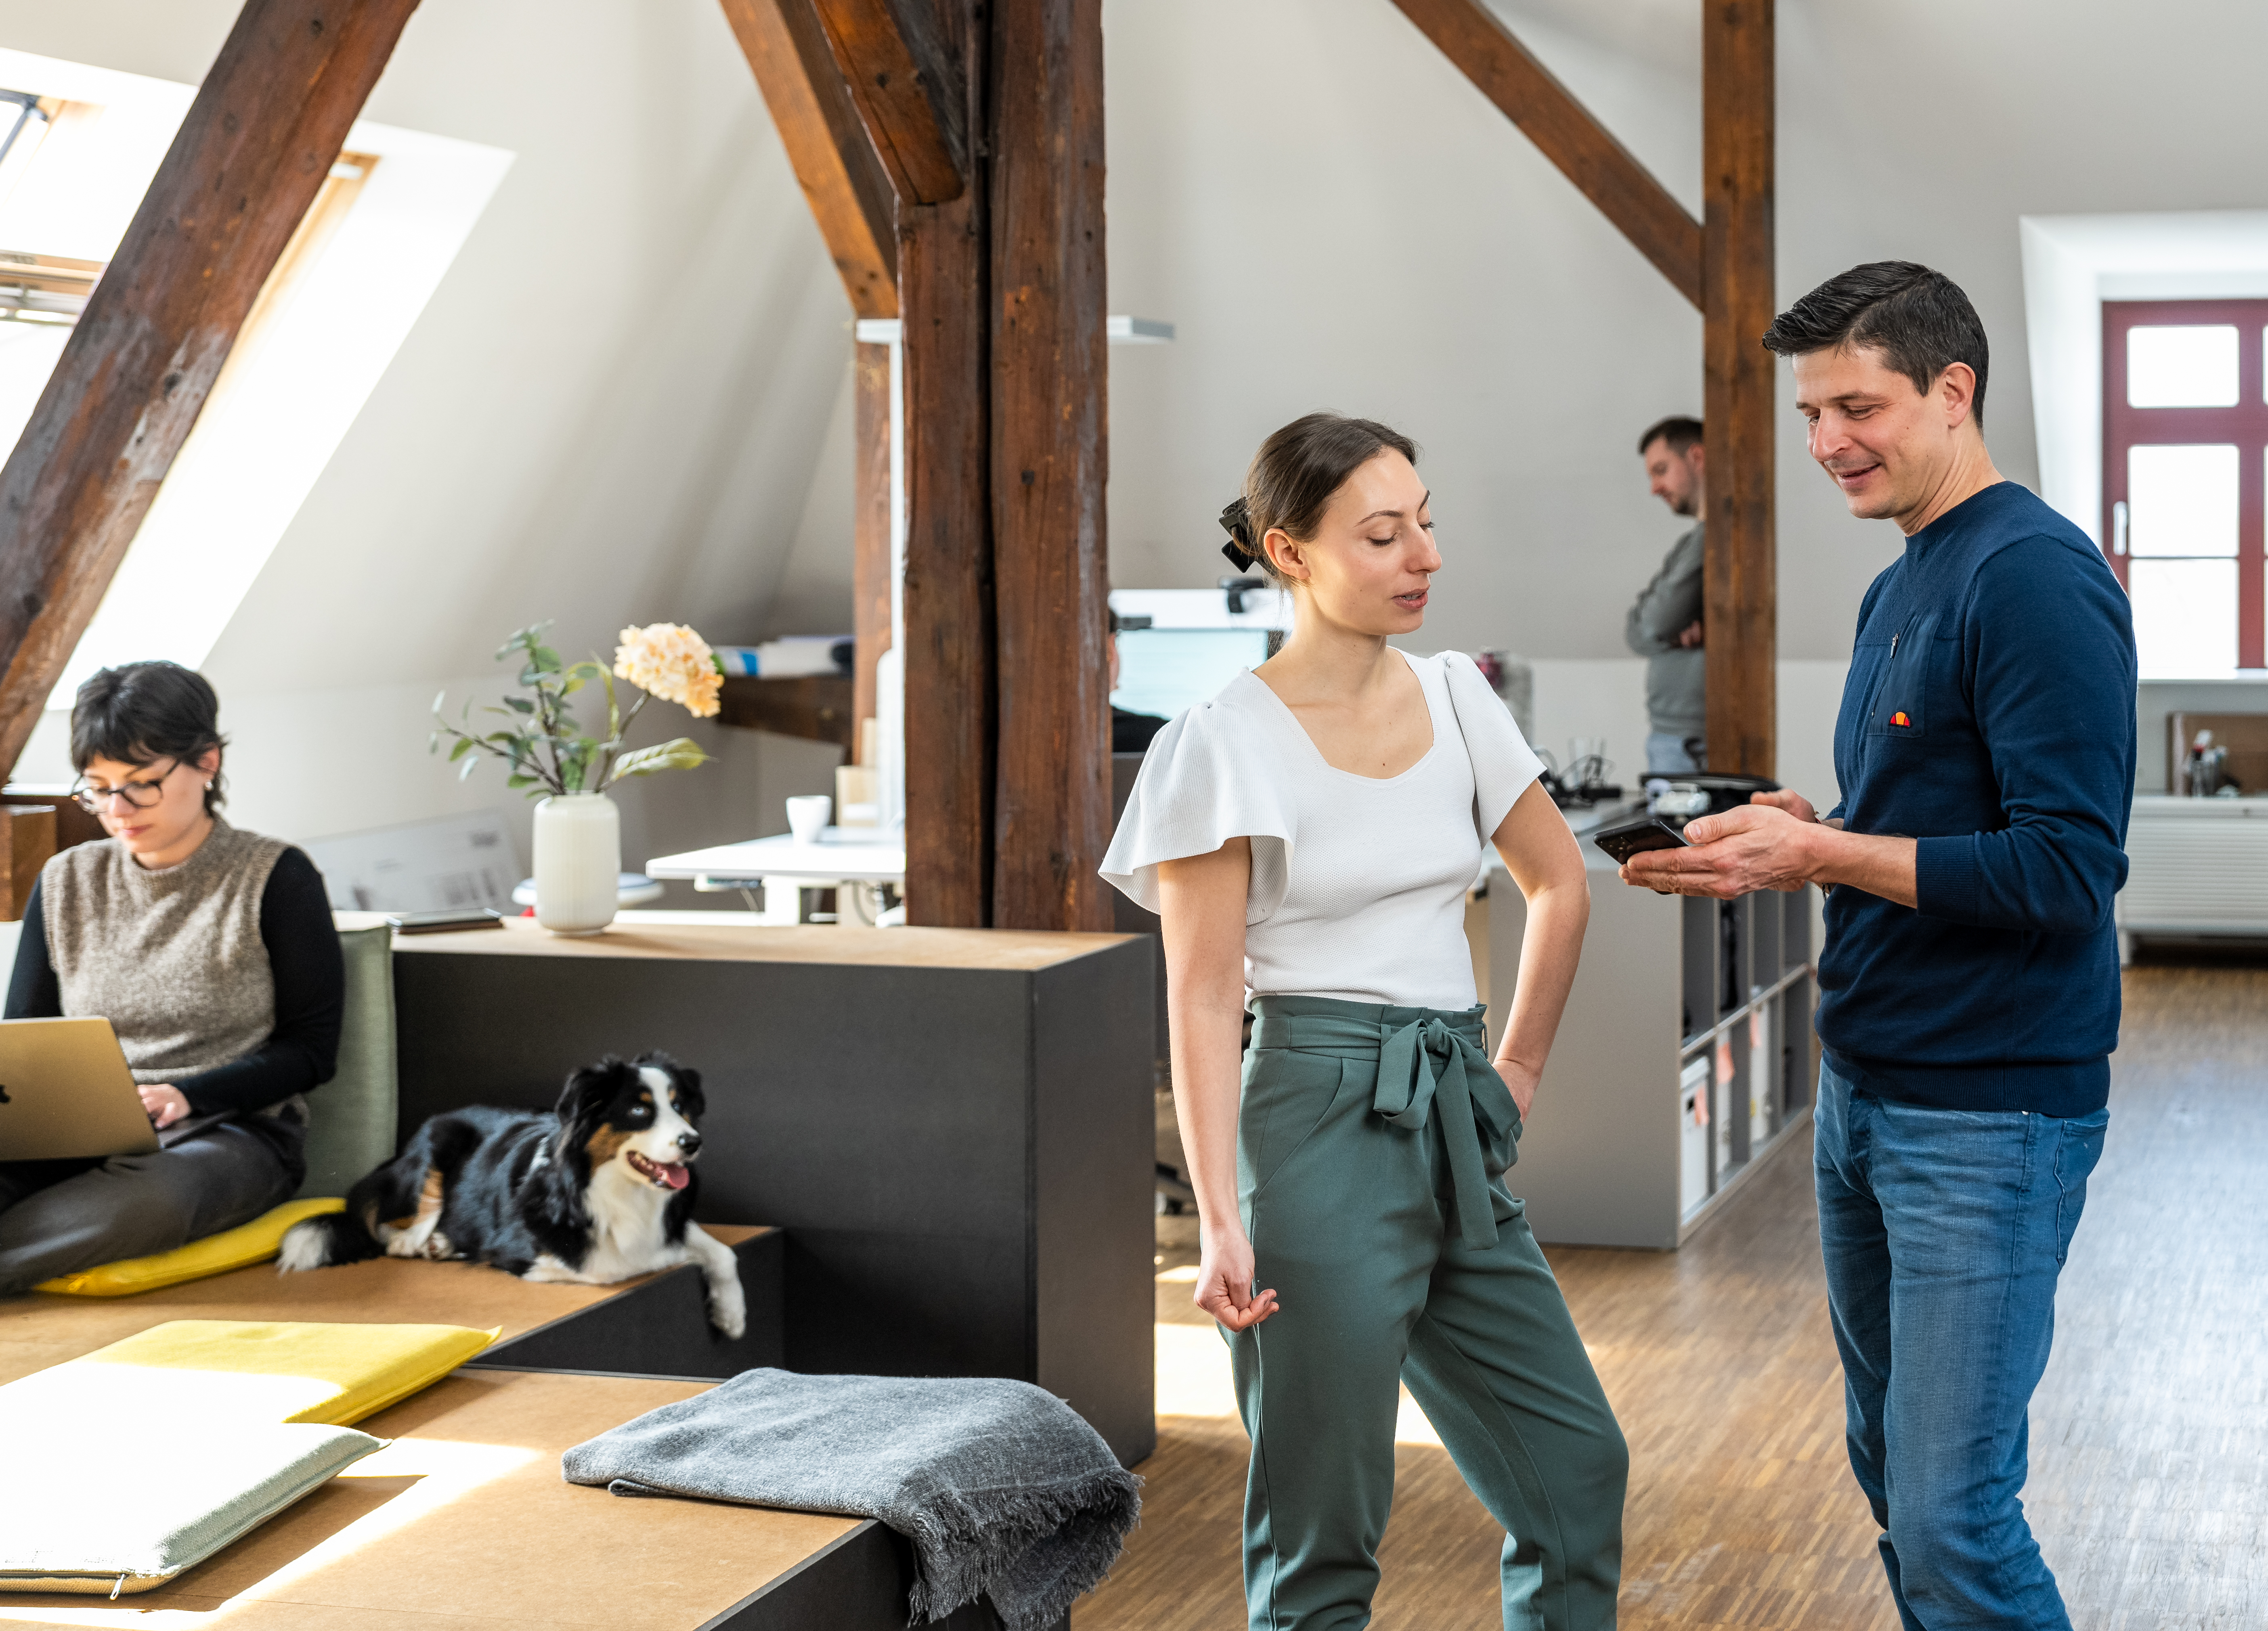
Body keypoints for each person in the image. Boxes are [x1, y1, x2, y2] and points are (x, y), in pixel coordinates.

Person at [1621, 263, 2134, 1630]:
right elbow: (1931, 819)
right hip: (1866, 1085)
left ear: (1950, 392)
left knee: (1950, 1514)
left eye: (1855, 406)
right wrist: (1804, 823)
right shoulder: (1903, 580)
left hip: (1985, 1107)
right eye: (1807, 414)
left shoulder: (2030, 577)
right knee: (1885, 1467)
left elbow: (2067, 868)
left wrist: (1824, 856)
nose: (1824, 443)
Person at [1102, 413, 1626, 1630]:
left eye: (1426, 524)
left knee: (1575, 1475)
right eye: (1383, 534)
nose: (1422, 557)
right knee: (1323, 1532)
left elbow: (1560, 882)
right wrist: (1219, 1219)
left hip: (1454, 1106)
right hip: (1315, 1117)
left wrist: (1519, 1075)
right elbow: (1197, 991)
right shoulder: (1218, 745)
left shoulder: (1458, 699)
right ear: (1288, 552)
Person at [0, 662, 345, 1294]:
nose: (116, 810)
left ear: (207, 762)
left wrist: (187, 1094)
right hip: (77, 1130)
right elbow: (23, 1042)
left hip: (230, 1133)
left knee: (148, 1202)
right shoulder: (65, 881)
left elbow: (311, 1053)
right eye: (98, 788)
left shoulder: (277, 878)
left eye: (141, 784)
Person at [1626, 416, 1708, 775]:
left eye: (1661, 470)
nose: (1654, 488)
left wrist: (1660, 626)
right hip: (1674, 736)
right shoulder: (1690, 543)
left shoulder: (1709, 541)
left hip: (1689, 743)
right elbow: (1636, 630)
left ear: (1697, 457)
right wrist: (1664, 629)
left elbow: (1655, 620)